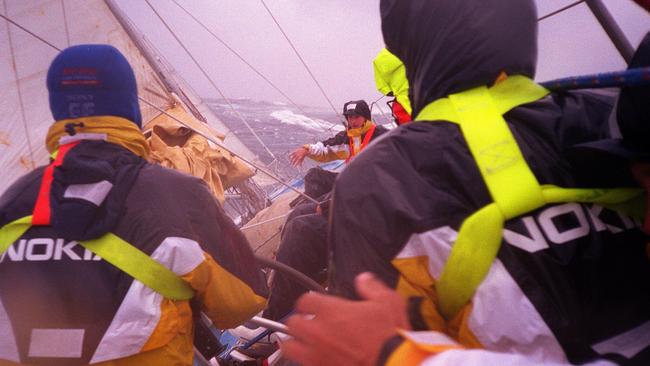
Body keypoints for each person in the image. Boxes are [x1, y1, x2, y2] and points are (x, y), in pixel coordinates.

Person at [283, 0, 650, 365]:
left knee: (304, 221)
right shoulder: (616, 115)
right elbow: (328, 149)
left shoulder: (381, 177)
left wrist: (400, 357)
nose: (350, 124)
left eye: (354, 118)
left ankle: (279, 318)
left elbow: (362, 340)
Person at [0, 45, 267, 366]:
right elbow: (243, 303)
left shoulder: (11, 201)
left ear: (58, 109)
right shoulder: (179, 196)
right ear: (130, 107)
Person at [289, 100, 388, 166]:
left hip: (377, 180)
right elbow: (324, 149)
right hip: (355, 180)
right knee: (314, 176)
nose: (353, 121)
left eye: (357, 117)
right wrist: (306, 149)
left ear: (366, 117)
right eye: (350, 118)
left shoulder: (381, 134)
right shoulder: (344, 137)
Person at [374, 48, 412, 125]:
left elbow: (381, 85)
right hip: (423, 99)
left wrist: (390, 90)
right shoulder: (420, 48)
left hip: (401, 104)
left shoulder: (381, 58)